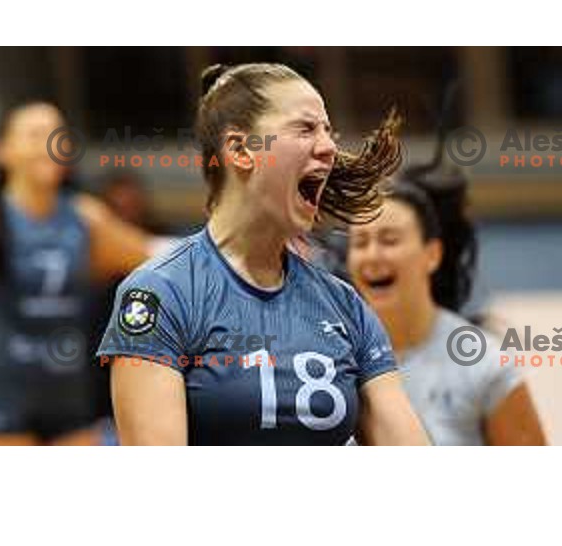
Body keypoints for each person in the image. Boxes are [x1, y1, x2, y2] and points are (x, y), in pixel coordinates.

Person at [97, 62, 430, 445]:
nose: (329, 147)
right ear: (241, 150)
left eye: (328, 131)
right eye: (305, 128)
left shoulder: (344, 305)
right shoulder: (160, 295)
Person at [0, 101, 156, 445]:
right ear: (3, 151)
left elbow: (157, 257)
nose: (49, 144)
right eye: (35, 135)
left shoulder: (86, 218)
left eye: (57, 135)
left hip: (69, 401)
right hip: (1, 402)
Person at [346, 174, 547, 445]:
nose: (372, 255)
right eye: (360, 243)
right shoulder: (335, 359)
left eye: (389, 240)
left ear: (432, 254)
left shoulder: (483, 363)